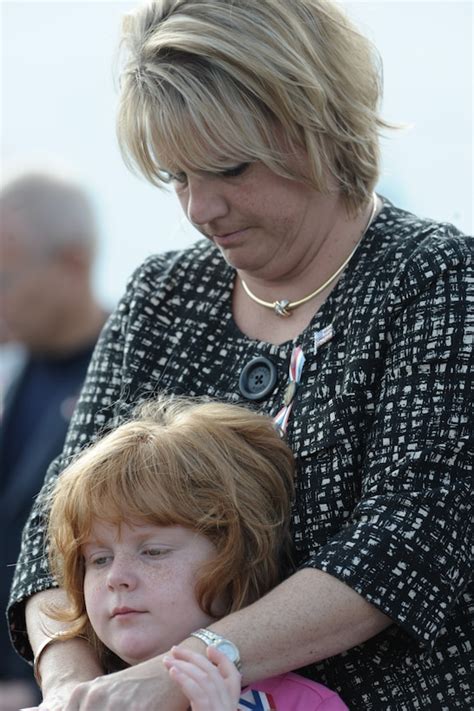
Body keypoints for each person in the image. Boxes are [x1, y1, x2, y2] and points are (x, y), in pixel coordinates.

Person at [8, 1, 473, 709]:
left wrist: (176, 674)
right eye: (177, 177)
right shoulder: (162, 293)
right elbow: (56, 534)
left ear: (317, 123)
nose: (200, 208)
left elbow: (407, 540)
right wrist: (73, 687)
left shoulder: (436, 275)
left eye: (228, 169)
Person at [43, 396, 347, 709]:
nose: (116, 578)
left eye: (153, 552)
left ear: (238, 556)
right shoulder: (81, 703)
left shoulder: (306, 704)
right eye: (100, 559)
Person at [0, 170, 106, 709]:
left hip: (61, 679)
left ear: (73, 262)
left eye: (5, 280)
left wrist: (32, 680)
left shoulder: (128, 383)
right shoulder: (13, 373)